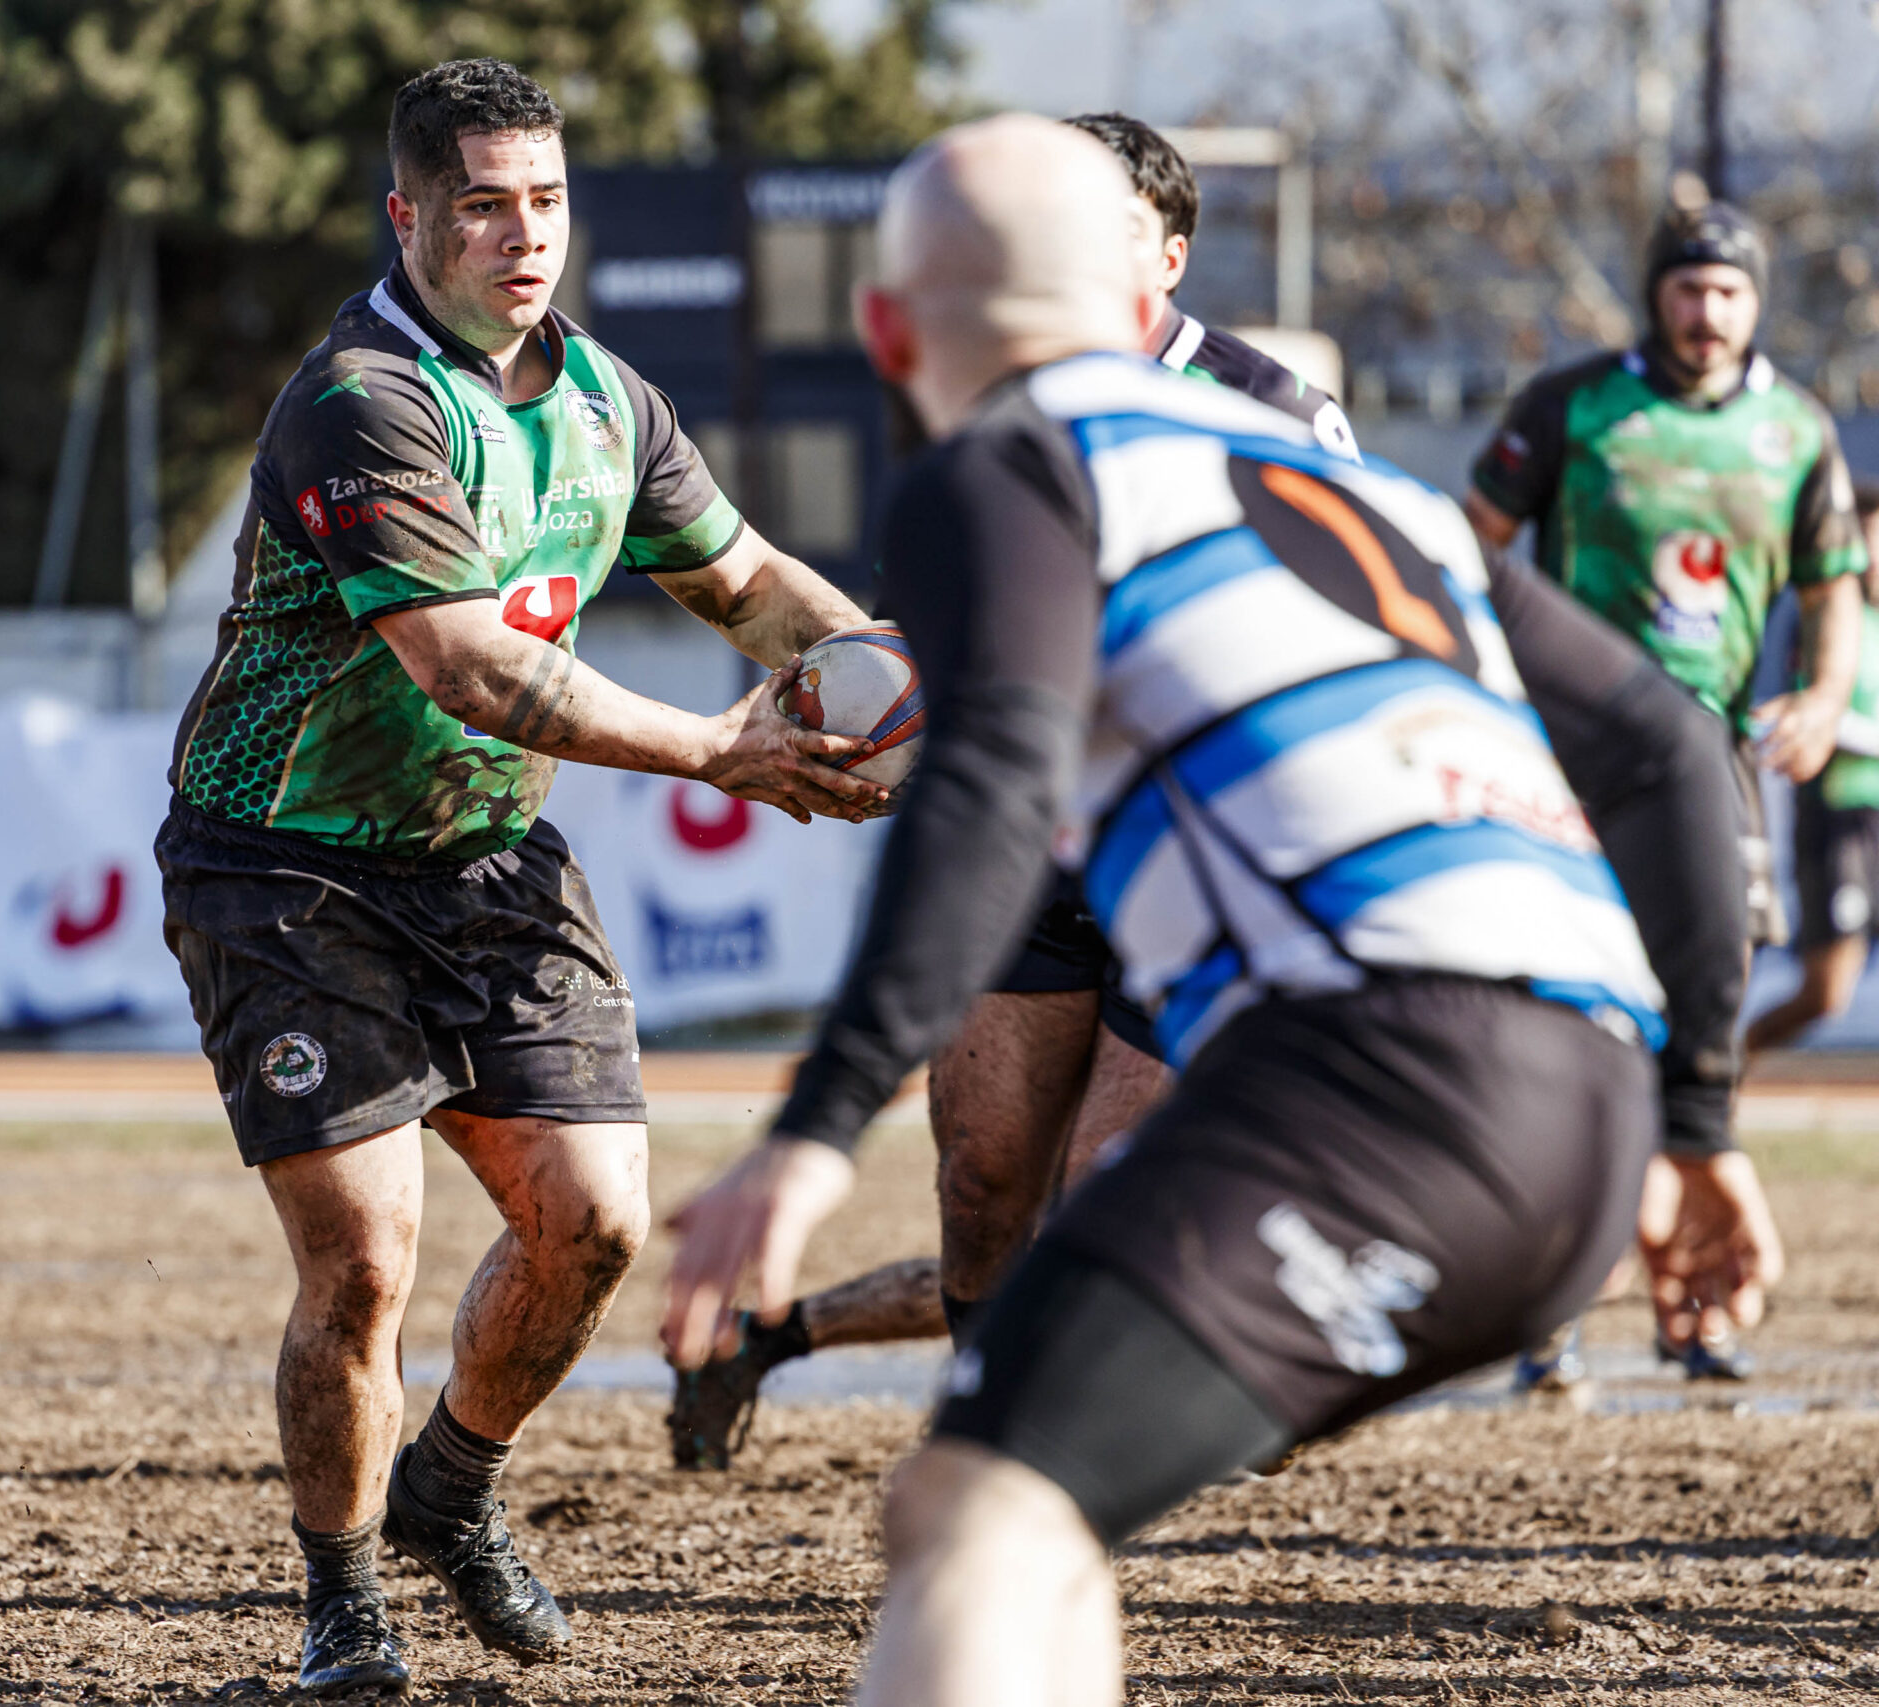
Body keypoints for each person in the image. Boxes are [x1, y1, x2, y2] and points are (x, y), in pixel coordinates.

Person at [659, 114, 1756, 1706]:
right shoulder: (1347, 477)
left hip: (1382, 1085)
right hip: (1582, 1111)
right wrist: (1700, 1117)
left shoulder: (1014, 462)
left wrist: (813, 1128)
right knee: (1025, 1492)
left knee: (975, 1515)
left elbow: (980, 794)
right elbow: (1670, 743)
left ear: (888, 330)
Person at [155, 59, 885, 1698]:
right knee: (361, 1256)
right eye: (482, 202)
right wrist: (720, 752)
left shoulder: (612, 402)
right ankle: (345, 1598)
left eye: (545, 199)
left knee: (599, 1224)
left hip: (487, 862)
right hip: (282, 869)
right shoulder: (362, 397)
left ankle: (451, 1487)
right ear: (408, 214)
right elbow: (473, 667)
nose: (521, 233)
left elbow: (751, 583)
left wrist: (887, 677)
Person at [668, 111, 1357, 1471]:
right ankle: (878, 1365)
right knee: (987, 1192)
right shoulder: (983, 414)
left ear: (1164, 257)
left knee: (1111, 1198)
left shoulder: (1275, 415)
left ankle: (1014, 1460)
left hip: (1194, 858)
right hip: (1037, 859)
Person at [1466, 197, 1862, 1383]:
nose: (1707, 311)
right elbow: (1469, 547)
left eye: (1729, 291)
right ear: (1656, 296)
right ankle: (1555, 1302)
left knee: (1704, 1017)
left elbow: (1834, 580)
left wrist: (1827, 695)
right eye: (1688, 289)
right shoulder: (1573, 407)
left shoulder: (1796, 429)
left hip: (1718, 766)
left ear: (1756, 304)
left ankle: (1694, 1309)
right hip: (1569, 762)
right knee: (1566, 1018)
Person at [1747, 479, 1879, 1053]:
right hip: (1839, 818)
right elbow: (1805, 717)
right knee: (1827, 993)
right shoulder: (1829, 621)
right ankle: (1728, 1067)